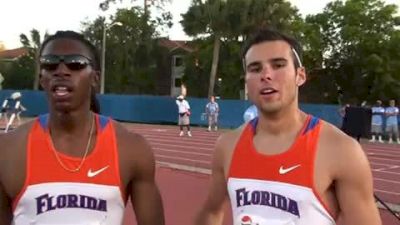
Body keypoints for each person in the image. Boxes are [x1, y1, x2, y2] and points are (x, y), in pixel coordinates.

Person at [195, 28, 381, 225]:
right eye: (255, 68)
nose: (266, 75)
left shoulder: (341, 150)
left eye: (278, 65)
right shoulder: (227, 147)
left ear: (300, 75)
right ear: (247, 81)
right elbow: (211, 212)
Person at [0, 31, 164, 225]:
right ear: (42, 78)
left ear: (95, 78)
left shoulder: (131, 149)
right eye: (50, 64)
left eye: (75, 64)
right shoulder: (8, 150)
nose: (61, 71)